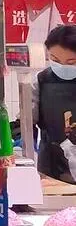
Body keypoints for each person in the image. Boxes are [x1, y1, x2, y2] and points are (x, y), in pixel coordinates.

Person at [34, 23, 76, 183]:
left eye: (71, 62)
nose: (63, 66)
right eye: (55, 59)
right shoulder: (40, 80)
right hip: (51, 168)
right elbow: (28, 122)